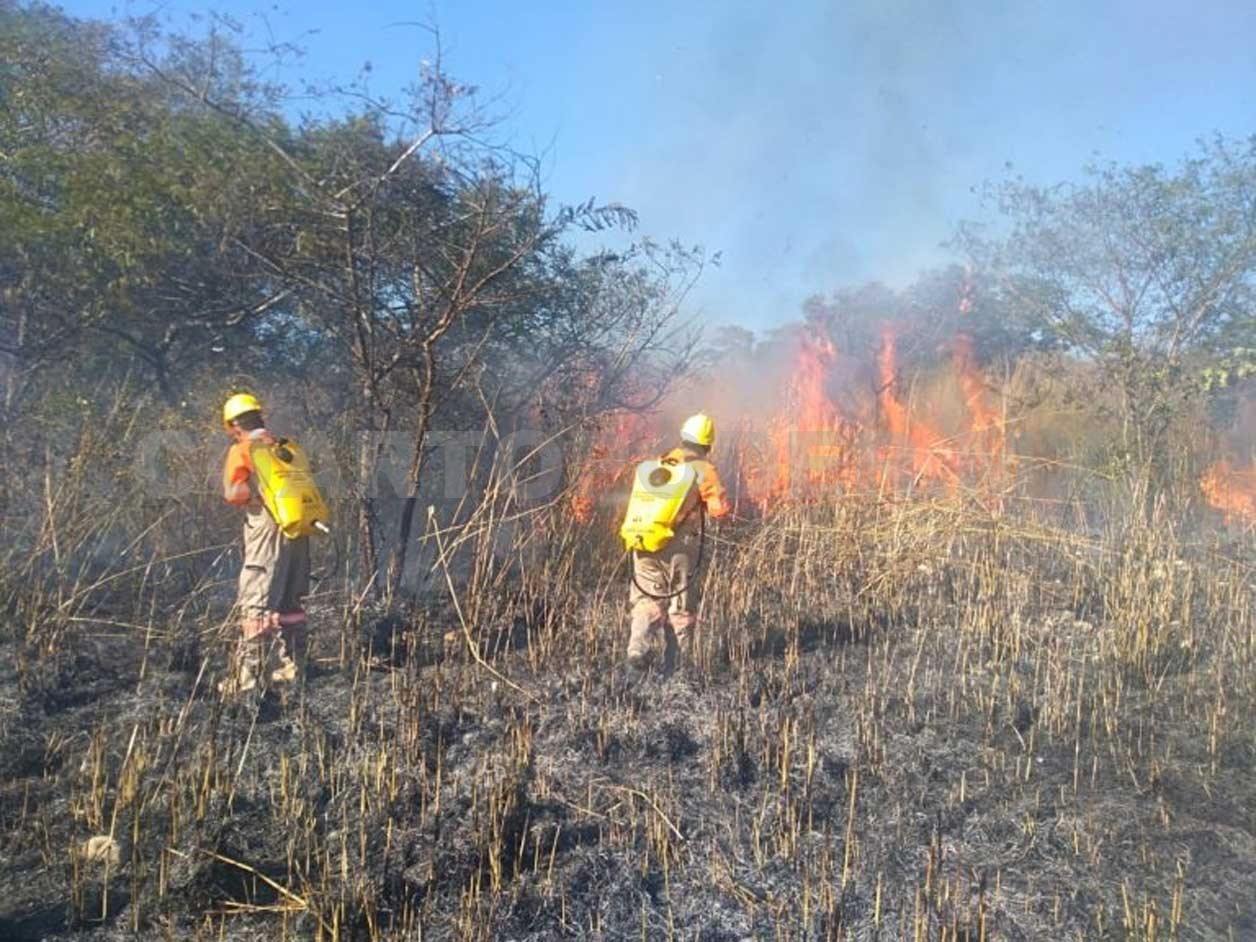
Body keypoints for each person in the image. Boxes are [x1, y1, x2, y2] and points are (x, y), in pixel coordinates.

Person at [218, 393, 312, 695]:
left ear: (233, 424)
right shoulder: (283, 446)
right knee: (289, 602)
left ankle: (248, 680)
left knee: (256, 600)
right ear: (260, 416)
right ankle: (293, 668)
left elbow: (234, 493)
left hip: (266, 530)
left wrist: (253, 497)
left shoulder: (243, 449)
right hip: (297, 527)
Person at [626, 413, 730, 671]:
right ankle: (677, 666)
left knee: (646, 601)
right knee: (681, 606)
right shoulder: (704, 469)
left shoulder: (661, 462)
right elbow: (719, 510)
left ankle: (636, 649)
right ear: (708, 444)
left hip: (643, 542)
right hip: (679, 548)